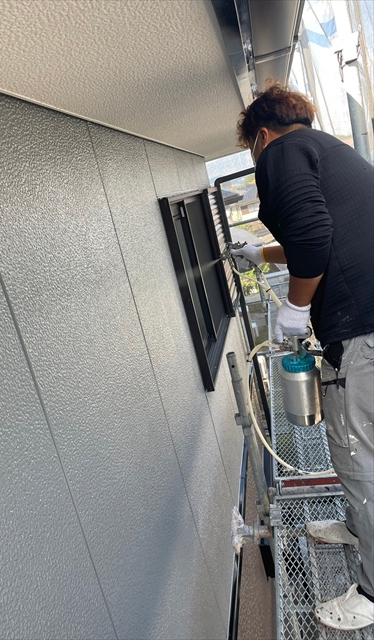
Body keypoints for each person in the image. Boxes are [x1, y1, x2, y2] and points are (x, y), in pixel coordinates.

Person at [233, 81, 374, 631]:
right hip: (367, 326)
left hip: (361, 332)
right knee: (360, 454)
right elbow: (316, 234)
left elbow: (313, 236)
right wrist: (261, 252)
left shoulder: (282, 152)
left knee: (359, 460)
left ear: (262, 135)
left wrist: (296, 307)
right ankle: (359, 529)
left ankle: (372, 592)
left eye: (251, 149)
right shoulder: (326, 150)